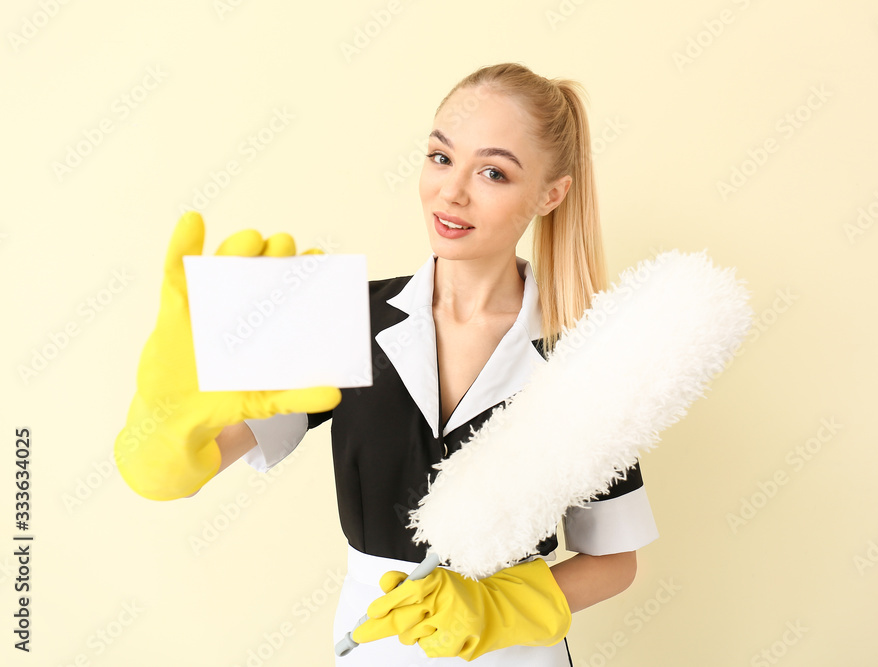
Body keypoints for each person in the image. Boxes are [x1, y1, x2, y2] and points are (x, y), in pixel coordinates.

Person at [114, 62, 658, 665]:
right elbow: (210, 453)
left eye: (493, 172)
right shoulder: (344, 315)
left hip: (515, 656)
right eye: (440, 157)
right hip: (374, 645)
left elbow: (614, 558)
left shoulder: (583, 358)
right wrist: (165, 427)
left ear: (551, 194)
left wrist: (496, 607)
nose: (451, 192)